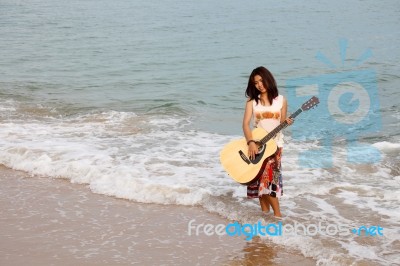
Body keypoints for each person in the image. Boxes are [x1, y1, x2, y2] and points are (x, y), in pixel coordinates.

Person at [242, 66, 294, 218]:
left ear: (268, 79)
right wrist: (250, 142)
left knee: (271, 182)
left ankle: (278, 217)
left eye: (261, 80)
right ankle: (265, 216)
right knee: (259, 182)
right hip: (257, 146)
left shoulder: (281, 100)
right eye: (256, 82)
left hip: (276, 146)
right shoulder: (252, 102)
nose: (259, 84)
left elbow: (282, 122)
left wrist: (287, 122)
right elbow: (245, 124)